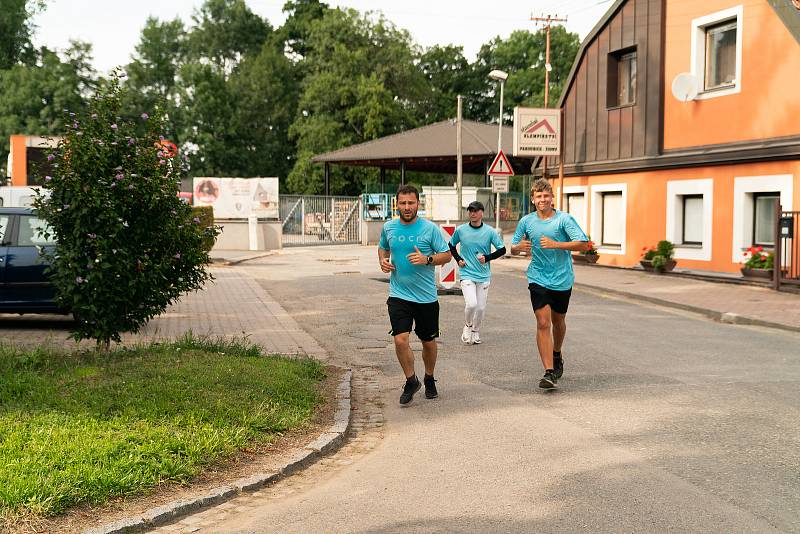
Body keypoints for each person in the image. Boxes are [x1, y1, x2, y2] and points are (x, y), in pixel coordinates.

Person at [510, 179, 589, 389]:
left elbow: (583, 243)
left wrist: (557, 244)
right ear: (533, 199)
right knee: (543, 322)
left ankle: (557, 352)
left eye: (546, 196)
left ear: (552, 198)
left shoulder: (564, 220)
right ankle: (548, 372)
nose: (542, 199)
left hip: (562, 279)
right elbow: (514, 246)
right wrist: (519, 247)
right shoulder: (526, 221)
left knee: (558, 321)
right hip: (538, 277)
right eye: (538, 196)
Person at [378, 185, 452, 405]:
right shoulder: (389, 227)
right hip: (399, 294)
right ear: (397, 204)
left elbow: (446, 256)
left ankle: (429, 378)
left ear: (418, 204)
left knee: (428, 342)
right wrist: (382, 260)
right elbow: (383, 247)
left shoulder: (429, 229)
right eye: (403, 203)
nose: (407, 207)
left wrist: (427, 260)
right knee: (400, 340)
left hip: (426, 297)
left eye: (411, 203)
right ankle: (411, 380)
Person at [448, 200, 506, 345]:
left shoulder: (489, 231)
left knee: (480, 308)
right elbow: (451, 245)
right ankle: (467, 326)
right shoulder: (461, 230)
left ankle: (476, 331)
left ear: (481, 213)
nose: (472, 213)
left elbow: (502, 249)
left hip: (484, 275)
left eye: (475, 211)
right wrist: (458, 259)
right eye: (470, 211)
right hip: (466, 273)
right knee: (472, 304)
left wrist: (487, 258)